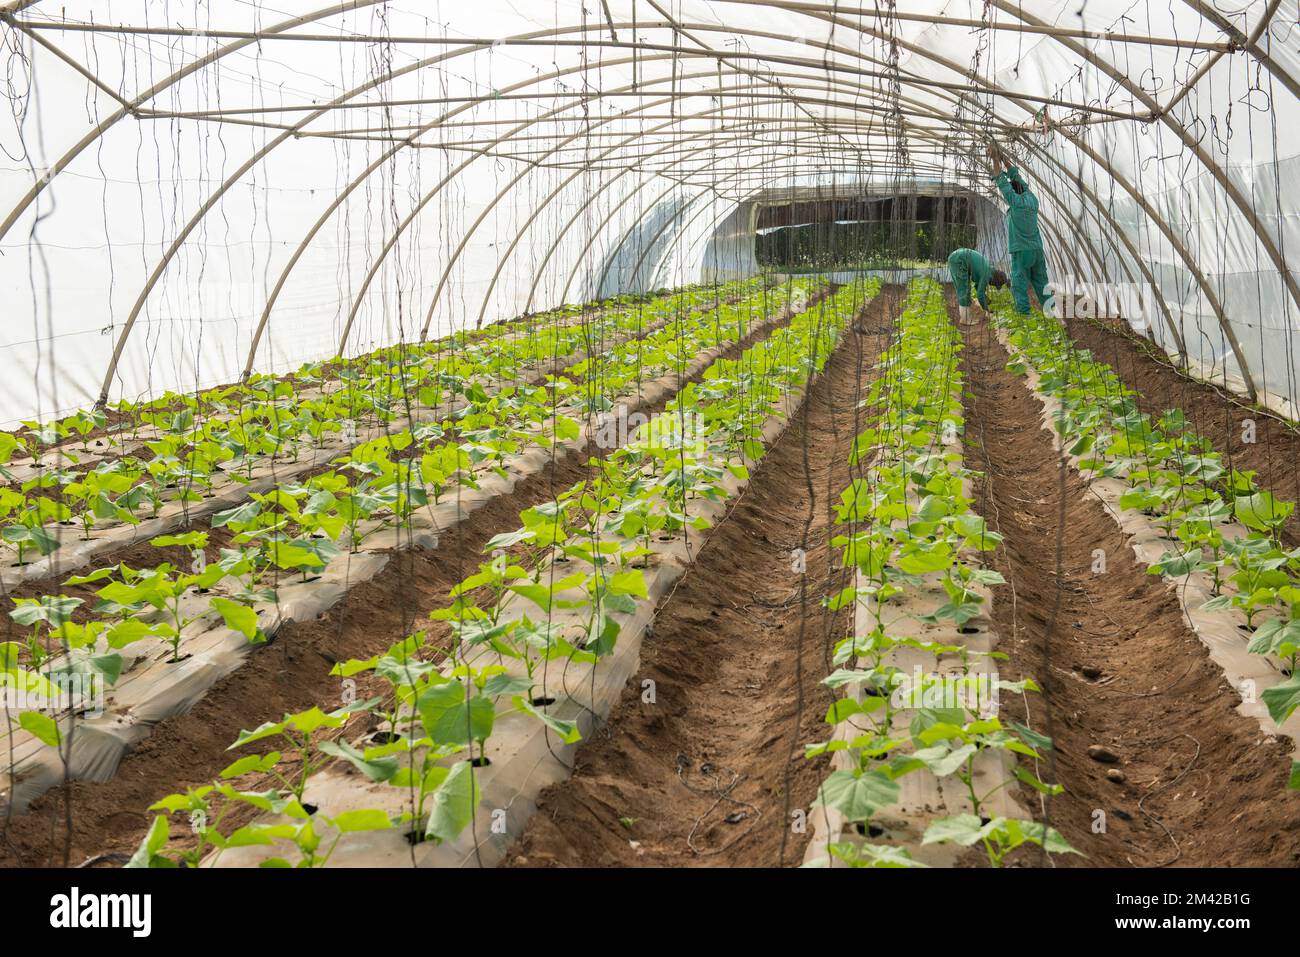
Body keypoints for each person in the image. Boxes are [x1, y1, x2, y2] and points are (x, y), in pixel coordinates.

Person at [988, 143, 1053, 316]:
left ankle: (1025, 315)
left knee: (1019, 283)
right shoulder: (1032, 200)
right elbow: (1015, 178)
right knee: (1041, 282)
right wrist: (1003, 159)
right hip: (1037, 249)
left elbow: (1001, 181)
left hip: (1022, 251)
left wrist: (995, 158)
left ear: (1013, 191)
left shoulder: (1015, 202)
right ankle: (1052, 314)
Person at [946, 247, 1007, 324]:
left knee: (965, 288)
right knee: (964, 289)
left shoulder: (989, 269)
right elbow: (979, 294)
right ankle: (965, 320)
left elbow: (978, 288)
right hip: (959, 260)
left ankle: (965, 318)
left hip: (959, 257)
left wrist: (986, 299)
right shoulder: (986, 274)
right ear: (995, 281)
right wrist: (987, 309)